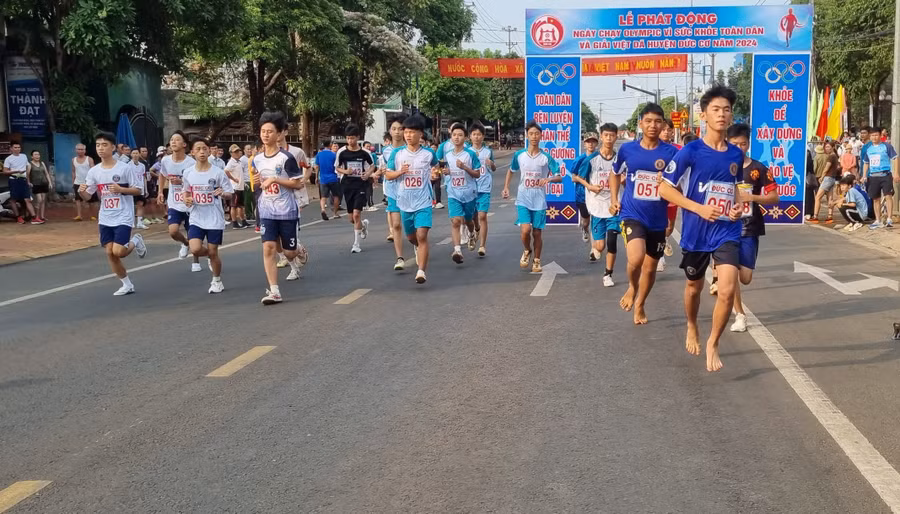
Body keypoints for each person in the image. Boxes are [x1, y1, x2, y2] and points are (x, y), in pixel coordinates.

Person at [659, 86, 744, 372]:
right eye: (716, 109)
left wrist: (736, 207)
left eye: (726, 109)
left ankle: (713, 342)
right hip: (696, 231)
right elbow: (664, 189)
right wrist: (698, 208)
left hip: (726, 230)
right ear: (704, 114)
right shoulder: (690, 151)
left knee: (728, 288)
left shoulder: (734, 155)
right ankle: (692, 325)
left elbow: (735, 191)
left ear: (731, 115)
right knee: (694, 288)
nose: (722, 114)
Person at [608, 103, 678, 325]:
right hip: (631, 213)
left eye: (658, 121)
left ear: (664, 125)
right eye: (648, 121)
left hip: (657, 218)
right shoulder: (628, 150)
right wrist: (613, 199)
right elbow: (614, 173)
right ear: (640, 124)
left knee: (649, 267)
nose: (653, 125)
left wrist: (667, 184)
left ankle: (640, 304)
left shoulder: (672, 153)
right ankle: (632, 286)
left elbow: (682, 183)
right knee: (636, 258)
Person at [725, 123, 780, 333]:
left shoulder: (759, 168)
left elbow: (775, 197)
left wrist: (752, 197)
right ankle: (739, 314)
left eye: (743, 144)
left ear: (748, 144)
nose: (739, 148)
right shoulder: (720, 166)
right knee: (730, 271)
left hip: (750, 225)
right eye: (735, 144)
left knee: (744, 277)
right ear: (727, 143)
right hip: (726, 225)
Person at [79, 132, 147, 295]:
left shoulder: (125, 168)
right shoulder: (94, 171)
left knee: (119, 252)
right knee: (110, 252)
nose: (100, 148)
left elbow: (138, 190)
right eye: (98, 145)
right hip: (105, 216)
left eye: (104, 145)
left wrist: (120, 189)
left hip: (123, 215)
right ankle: (126, 284)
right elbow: (88, 196)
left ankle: (136, 240)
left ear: (113, 147)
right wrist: (81, 192)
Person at [254, 111, 305, 304]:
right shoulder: (257, 159)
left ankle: (298, 249)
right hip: (267, 209)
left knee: (288, 252)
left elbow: (298, 184)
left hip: (286, 210)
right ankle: (274, 291)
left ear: (278, 134)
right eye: (263, 131)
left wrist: (275, 179)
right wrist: (260, 182)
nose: (265, 135)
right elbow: (259, 183)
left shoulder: (286, 158)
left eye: (270, 131)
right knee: (269, 247)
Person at [385, 114, 439, 284]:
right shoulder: (397, 154)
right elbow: (388, 174)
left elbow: (436, 168)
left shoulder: (429, 153)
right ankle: (416, 246)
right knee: (411, 237)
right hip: (405, 202)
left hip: (423, 201)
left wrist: (435, 174)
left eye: (412, 132)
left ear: (420, 134)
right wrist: (400, 172)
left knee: (422, 235)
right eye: (406, 132)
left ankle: (421, 271)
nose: (408, 135)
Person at [503, 120, 563, 273]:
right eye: (531, 134)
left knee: (537, 232)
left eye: (537, 134)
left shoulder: (546, 158)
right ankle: (526, 250)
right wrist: (506, 187)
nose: (534, 136)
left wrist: (548, 179)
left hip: (539, 199)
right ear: (527, 136)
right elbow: (511, 170)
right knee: (525, 230)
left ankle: (537, 260)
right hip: (523, 197)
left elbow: (559, 176)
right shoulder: (519, 155)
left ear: (541, 136)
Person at [183, 138, 234, 293]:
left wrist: (223, 193)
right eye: (198, 149)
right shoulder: (188, 172)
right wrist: (187, 200)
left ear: (209, 150)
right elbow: (186, 192)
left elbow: (230, 193)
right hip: (196, 217)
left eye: (204, 148)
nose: (202, 152)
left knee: (213, 252)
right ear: (192, 153)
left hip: (214, 218)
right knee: (196, 249)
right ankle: (210, 258)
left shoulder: (217, 173)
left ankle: (217, 281)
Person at [157, 130, 202, 271]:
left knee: (193, 234)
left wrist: (181, 180)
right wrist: (160, 192)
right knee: (173, 231)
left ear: (184, 144)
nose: (173, 142)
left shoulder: (191, 162)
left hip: (189, 202)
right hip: (174, 202)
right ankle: (185, 243)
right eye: (171, 140)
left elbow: (196, 180)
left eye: (177, 140)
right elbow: (162, 175)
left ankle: (196, 261)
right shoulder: (165, 160)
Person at [583, 124, 621, 287]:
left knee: (612, 242)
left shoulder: (620, 159)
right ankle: (594, 243)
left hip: (614, 206)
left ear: (616, 137)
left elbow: (627, 175)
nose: (609, 139)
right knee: (600, 245)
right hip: (597, 206)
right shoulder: (591, 159)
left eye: (612, 135)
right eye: (606, 135)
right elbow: (577, 177)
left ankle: (608, 274)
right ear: (601, 137)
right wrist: (590, 186)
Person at [437, 122, 481, 264]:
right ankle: (457, 250)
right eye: (454, 135)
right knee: (456, 221)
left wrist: (465, 167)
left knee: (468, 220)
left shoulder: (470, 154)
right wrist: (447, 172)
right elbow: (446, 170)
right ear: (451, 137)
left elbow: (477, 174)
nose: (457, 138)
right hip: (453, 193)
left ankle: (472, 233)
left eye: (460, 135)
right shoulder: (448, 155)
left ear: (465, 138)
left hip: (469, 193)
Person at [336, 125, 375, 254]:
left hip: (360, 185)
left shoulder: (365, 153)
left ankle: (356, 244)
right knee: (352, 218)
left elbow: (372, 166)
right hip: (347, 185)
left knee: (357, 214)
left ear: (358, 138)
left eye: (352, 138)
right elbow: (337, 167)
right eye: (348, 138)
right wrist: (345, 171)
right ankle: (363, 226)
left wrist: (368, 174)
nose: (350, 141)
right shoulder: (342, 152)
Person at [379, 115, 408, 268]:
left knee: (412, 227)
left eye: (400, 129)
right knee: (396, 224)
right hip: (392, 190)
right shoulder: (385, 151)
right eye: (394, 129)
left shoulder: (409, 149)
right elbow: (384, 169)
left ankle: (417, 244)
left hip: (409, 191)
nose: (397, 132)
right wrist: (381, 172)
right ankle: (400, 258)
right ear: (390, 131)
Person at [862, 127, 898, 229]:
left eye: (876, 135)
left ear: (880, 136)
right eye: (872, 135)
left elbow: (895, 158)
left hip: (886, 175)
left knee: (888, 196)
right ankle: (877, 220)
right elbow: (866, 163)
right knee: (875, 199)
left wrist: (896, 173)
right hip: (873, 176)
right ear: (870, 136)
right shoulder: (868, 149)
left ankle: (889, 219)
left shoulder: (886, 146)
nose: (874, 137)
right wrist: (864, 175)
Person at [469, 122, 495, 256]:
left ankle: (482, 246)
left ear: (483, 136)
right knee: (472, 216)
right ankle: (475, 229)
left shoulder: (488, 151)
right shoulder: (467, 152)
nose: (477, 137)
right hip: (470, 188)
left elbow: (494, 168)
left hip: (484, 187)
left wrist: (491, 164)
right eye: (474, 134)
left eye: (479, 134)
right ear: (470, 137)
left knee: (482, 215)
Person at [571, 133, 599, 243]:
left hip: (597, 193)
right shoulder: (579, 160)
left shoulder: (600, 157)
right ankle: (584, 228)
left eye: (593, 141)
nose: (591, 144)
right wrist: (585, 183)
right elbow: (573, 178)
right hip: (582, 194)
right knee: (586, 220)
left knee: (597, 220)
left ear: (597, 143)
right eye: (588, 142)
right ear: (584, 144)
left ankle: (595, 245)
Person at [3, 143, 38, 224]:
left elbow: (27, 167)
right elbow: (5, 171)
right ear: (11, 149)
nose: (17, 149)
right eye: (15, 147)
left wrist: (28, 180)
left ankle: (34, 217)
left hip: (23, 179)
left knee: (27, 199)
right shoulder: (8, 159)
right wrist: (16, 171)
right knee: (14, 199)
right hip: (14, 180)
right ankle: (18, 217)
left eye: (19, 147)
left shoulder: (24, 156)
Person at [811, 141, 840, 223]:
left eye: (828, 147)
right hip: (832, 178)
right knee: (830, 198)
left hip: (827, 178)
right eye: (826, 147)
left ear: (833, 147)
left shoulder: (831, 157)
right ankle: (830, 216)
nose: (827, 148)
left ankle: (815, 216)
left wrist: (822, 177)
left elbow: (826, 168)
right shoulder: (835, 156)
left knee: (818, 197)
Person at [315, 141, 341, 220]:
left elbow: (317, 166)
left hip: (323, 178)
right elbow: (337, 166)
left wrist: (316, 177)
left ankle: (323, 210)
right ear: (330, 145)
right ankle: (335, 213)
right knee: (336, 196)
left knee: (323, 196)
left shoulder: (319, 154)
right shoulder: (333, 155)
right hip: (333, 177)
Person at [225, 144, 249, 229]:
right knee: (234, 206)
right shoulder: (231, 162)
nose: (237, 153)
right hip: (234, 187)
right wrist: (233, 179)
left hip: (240, 186)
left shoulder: (239, 162)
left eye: (238, 151)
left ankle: (243, 221)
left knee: (240, 205)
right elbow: (226, 171)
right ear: (231, 153)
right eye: (235, 152)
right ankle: (235, 222)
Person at [72, 143, 98, 221]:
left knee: (91, 201)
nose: (80, 151)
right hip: (77, 182)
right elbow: (73, 171)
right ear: (76, 150)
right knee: (77, 200)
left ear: (85, 150)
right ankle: (79, 215)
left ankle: (92, 215)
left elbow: (93, 170)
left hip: (88, 183)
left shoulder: (89, 159)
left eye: (82, 149)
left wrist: (93, 181)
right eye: (78, 149)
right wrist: (73, 181)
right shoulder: (73, 160)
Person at [26, 150, 52, 224]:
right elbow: (27, 174)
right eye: (35, 154)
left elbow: (46, 173)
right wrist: (28, 182)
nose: (37, 156)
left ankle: (42, 216)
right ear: (32, 156)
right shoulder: (30, 164)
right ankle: (36, 217)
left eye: (38, 154)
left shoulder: (42, 163)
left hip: (44, 183)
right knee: (39, 200)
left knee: (43, 200)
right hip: (36, 184)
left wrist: (49, 182)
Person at [127, 149, 149, 229]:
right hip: (132, 188)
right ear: (131, 154)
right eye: (133, 153)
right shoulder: (128, 165)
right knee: (131, 205)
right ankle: (131, 222)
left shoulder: (142, 165)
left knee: (141, 204)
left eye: (137, 153)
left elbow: (144, 177)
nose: (135, 155)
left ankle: (140, 222)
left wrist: (145, 189)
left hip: (141, 187)